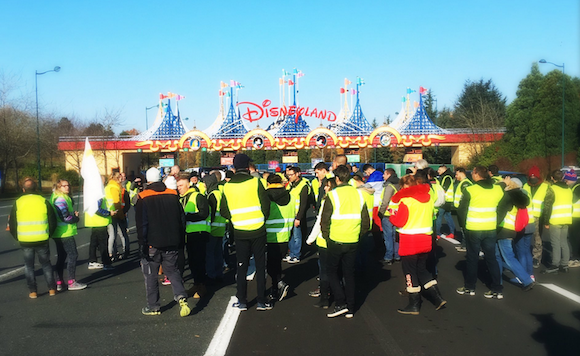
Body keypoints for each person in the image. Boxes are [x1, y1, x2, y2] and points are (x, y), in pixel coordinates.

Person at [136, 167, 190, 317]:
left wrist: (142, 243)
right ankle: (181, 296)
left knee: (150, 274)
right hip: (172, 240)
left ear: (148, 180)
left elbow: (142, 224)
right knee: (172, 271)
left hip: (153, 242)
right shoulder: (173, 195)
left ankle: (153, 306)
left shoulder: (143, 197)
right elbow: (181, 219)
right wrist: (180, 239)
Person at [221, 154, 271, 311]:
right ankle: (262, 301)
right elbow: (266, 205)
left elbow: (223, 211)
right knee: (260, 265)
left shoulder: (228, 187)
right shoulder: (256, 182)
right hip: (258, 229)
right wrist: (262, 219)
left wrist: (235, 218)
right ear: (248, 166)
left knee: (241, 266)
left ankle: (242, 300)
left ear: (234, 167)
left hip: (240, 231)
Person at [389, 175, 446, 315]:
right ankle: (437, 298)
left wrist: (392, 216)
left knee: (410, 273)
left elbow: (400, 221)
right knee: (423, 270)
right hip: (425, 240)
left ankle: (414, 304)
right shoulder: (428, 199)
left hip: (410, 242)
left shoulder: (406, 201)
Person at [321, 165, 370, 318]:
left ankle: (340, 302)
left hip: (336, 239)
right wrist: (358, 236)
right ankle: (351, 306)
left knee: (332, 271)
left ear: (337, 179)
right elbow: (365, 222)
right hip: (352, 240)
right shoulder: (360, 195)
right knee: (349, 273)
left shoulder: (333, 195)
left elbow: (325, 220)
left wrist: (327, 237)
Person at [456, 166, 504, 299]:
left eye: (473, 172)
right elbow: (502, 207)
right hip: (490, 228)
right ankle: (497, 289)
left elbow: (461, 211)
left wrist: (463, 226)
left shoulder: (470, 190)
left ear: (477, 175)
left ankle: (470, 287)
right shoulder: (497, 189)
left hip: (473, 228)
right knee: (491, 258)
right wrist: (497, 221)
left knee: (472, 258)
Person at [9, 178, 57, 298]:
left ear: (23, 189)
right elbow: (52, 220)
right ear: (36, 188)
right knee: (46, 264)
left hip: (25, 239)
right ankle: (51, 289)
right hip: (42, 237)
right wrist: (49, 234)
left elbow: (12, 223)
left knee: (29, 266)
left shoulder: (18, 202)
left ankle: (33, 291)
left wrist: (17, 236)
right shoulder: (43, 201)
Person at [495, 177, 535, 291]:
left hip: (503, 229)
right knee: (498, 255)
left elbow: (500, 213)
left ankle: (526, 280)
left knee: (508, 257)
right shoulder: (519, 198)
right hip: (511, 228)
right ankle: (498, 280)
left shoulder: (507, 198)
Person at [176, 173, 210, 298]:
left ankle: (202, 287)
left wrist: (186, 218)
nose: (179, 188)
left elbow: (204, 213)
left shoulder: (197, 196)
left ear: (188, 185)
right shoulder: (180, 199)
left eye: (181, 185)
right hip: (188, 235)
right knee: (192, 262)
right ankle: (196, 285)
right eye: (178, 186)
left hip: (199, 233)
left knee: (199, 262)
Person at [50, 179, 86, 291]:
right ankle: (71, 281)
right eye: (64, 186)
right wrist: (75, 218)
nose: (67, 187)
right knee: (73, 255)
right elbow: (66, 218)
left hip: (59, 232)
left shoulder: (61, 197)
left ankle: (59, 281)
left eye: (68, 185)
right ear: (58, 187)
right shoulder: (60, 199)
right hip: (64, 232)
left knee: (62, 256)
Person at [306, 177, 337, 308]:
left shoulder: (327, 201)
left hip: (324, 241)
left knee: (324, 270)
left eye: (327, 186)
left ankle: (324, 297)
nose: (324, 187)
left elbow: (320, 222)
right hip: (337, 239)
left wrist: (310, 239)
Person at [265, 173, 295, 302]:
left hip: (270, 235)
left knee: (271, 265)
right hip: (285, 234)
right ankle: (276, 288)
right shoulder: (291, 196)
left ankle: (278, 284)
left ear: (268, 183)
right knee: (276, 263)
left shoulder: (266, 196)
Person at [542, 170, 573, 274]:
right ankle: (565, 265)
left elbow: (547, 206)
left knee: (555, 243)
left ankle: (555, 264)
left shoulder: (552, 189)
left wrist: (546, 221)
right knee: (564, 242)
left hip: (556, 219)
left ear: (552, 178)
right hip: (566, 218)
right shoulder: (568, 189)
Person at [523, 166, 549, 269]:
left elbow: (548, 205)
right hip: (525, 215)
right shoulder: (525, 185)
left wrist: (546, 220)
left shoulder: (545, 187)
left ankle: (536, 258)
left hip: (538, 216)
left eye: (534, 176)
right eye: (531, 176)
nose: (532, 178)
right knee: (523, 237)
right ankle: (524, 256)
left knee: (537, 238)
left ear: (538, 176)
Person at [86, 176, 115, 271]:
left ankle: (92, 261)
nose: (104, 182)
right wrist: (108, 213)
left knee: (94, 243)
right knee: (103, 244)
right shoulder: (98, 193)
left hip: (93, 221)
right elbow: (97, 209)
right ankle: (106, 263)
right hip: (100, 222)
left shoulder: (91, 192)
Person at [285, 166, 311, 264]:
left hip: (297, 215)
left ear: (297, 174)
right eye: (288, 175)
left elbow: (303, 203)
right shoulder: (291, 185)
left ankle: (296, 254)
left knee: (297, 236)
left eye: (291, 175)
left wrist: (298, 218)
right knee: (291, 235)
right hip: (290, 214)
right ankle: (292, 253)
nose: (289, 177)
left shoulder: (303, 185)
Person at [205, 171, 227, 284]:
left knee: (210, 253)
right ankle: (219, 273)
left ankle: (211, 274)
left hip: (212, 228)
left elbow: (212, 213)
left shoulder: (212, 195)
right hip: (221, 227)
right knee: (218, 252)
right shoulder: (220, 193)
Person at [105, 172, 128, 261]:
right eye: (119, 177)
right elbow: (116, 203)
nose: (121, 179)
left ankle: (112, 253)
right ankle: (111, 253)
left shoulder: (108, 186)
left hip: (110, 212)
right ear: (116, 178)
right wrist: (121, 216)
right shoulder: (114, 187)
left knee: (112, 234)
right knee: (116, 234)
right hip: (115, 213)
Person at [378, 168, 400, 264]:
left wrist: (380, 213)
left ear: (388, 174)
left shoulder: (389, 186)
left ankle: (388, 257)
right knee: (395, 236)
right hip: (397, 213)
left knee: (388, 237)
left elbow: (385, 201)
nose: (383, 176)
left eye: (384, 174)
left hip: (387, 214)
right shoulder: (399, 185)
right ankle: (397, 255)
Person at [453, 168, 472, 252]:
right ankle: (464, 244)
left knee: (464, 228)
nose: (456, 176)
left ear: (462, 173)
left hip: (464, 210)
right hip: (460, 209)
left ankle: (465, 246)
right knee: (462, 228)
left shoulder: (466, 184)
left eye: (457, 174)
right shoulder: (462, 183)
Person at [436, 165, 456, 239]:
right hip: (448, 200)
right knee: (448, 216)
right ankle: (452, 232)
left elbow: (444, 189)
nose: (438, 171)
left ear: (444, 170)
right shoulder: (448, 176)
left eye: (439, 170)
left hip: (444, 200)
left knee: (439, 216)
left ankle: (437, 233)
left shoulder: (446, 177)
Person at [566, 170, 580, 267]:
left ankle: (576, 258)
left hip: (576, 216)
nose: (565, 181)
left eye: (567, 179)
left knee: (574, 238)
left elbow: (573, 200)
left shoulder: (576, 188)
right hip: (575, 215)